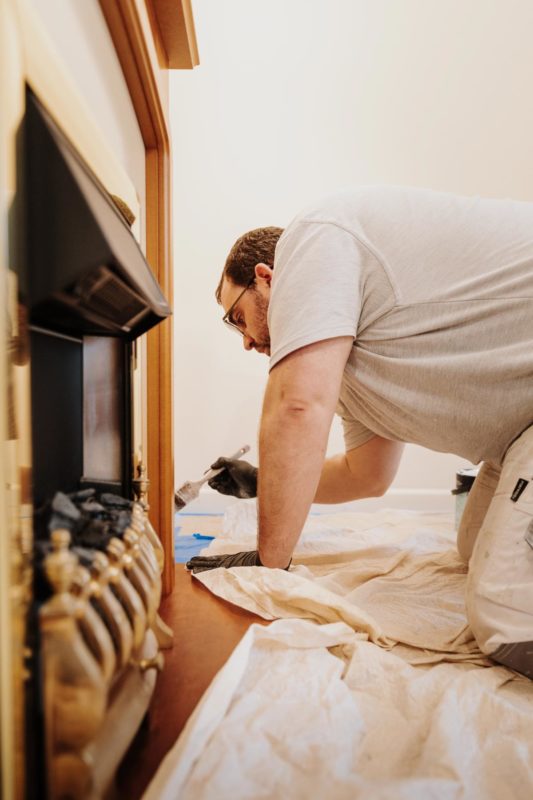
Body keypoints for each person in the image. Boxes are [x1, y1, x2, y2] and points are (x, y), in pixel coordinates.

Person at [186, 185, 533, 678]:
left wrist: (269, 561)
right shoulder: (356, 361)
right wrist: (261, 480)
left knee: (505, 616)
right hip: (521, 434)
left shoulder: (314, 238)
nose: (245, 341)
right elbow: (365, 475)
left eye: (238, 317)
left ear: (267, 278)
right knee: (473, 547)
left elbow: (297, 406)